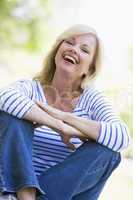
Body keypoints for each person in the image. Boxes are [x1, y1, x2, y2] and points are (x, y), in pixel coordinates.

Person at [0, 24, 131, 200]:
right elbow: (4, 97)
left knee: (108, 154)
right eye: (69, 42)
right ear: (56, 51)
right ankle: (25, 191)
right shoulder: (30, 88)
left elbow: (122, 137)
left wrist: (66, 118)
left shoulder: (92, 100)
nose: (74, 49)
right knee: (13, 115)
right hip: (16, 190)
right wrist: (58, 125)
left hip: (56, 195)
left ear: (89, 69)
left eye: (84, 50)